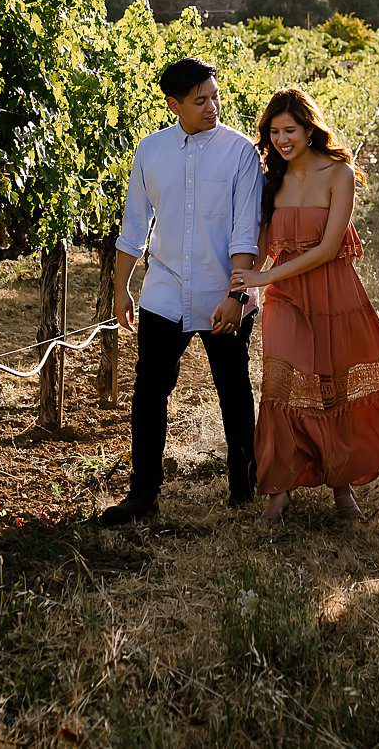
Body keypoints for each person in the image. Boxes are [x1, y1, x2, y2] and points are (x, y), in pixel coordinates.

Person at [230, 87, 379, 523]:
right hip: (286, 298)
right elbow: (264, 243)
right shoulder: (272, 178)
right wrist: (240, 289)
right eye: (274, 132)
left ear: (309, 129)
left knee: (331, 386)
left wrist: (264, 277)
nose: (282, 140)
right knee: (282, 387)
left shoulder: (339, 174)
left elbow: (327, 249)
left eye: (290, 130)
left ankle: (343, 491)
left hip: (333, 293)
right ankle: (278, 493)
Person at [100, 57, 266, 526]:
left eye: (215, 96)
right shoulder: (150, 151)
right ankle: (143, 494)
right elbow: (134, 227)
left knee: (233, 389)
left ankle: (243, 488)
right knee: (150, 391)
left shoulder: (240, 153)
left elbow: (244, 233)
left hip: (223, 294)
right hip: (165, 293)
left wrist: (235, 297)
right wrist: (122, 290)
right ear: (174, 104)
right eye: (200, 101)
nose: (213, 106)